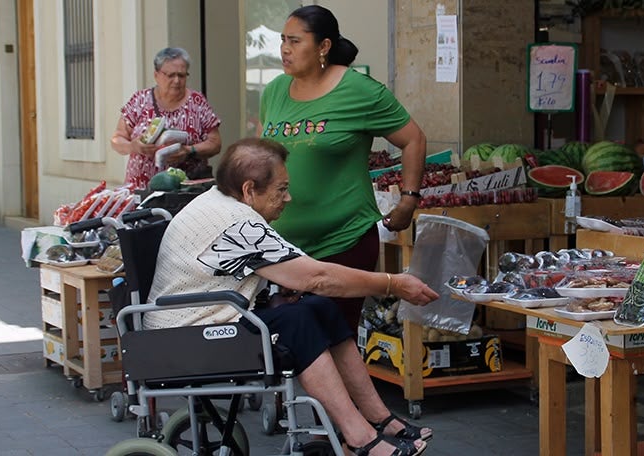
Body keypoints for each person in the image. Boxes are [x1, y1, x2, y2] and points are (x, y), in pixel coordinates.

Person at [143, 138, 437, 456]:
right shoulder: (237, 222)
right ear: (249, 190)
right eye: (281, 189)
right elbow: (318, 277)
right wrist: (393, 284)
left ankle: (378, 418)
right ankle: (359, 437)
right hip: (186, 339)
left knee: (320, 307)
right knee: (297, 321)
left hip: (196, 325)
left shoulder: (219, 201)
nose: (288, 197)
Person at [260, 5, 428, 329]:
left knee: (334, 341)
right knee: (286, 342)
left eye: (295, 41)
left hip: (342, 243)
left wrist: (408, 200)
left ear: (323, 46)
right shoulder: (274, 91)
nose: (284, 49)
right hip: (282, 248)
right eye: (282, 40)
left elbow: (413, 139)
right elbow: (261, 158)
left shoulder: (361, 91)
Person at [111, 47, 222, 189]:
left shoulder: (197, 102)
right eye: (170, 75)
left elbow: (215, 143)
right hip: (141, 189)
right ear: (156, 75)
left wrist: (189, 150)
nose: (176, 81)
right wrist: (133, 146)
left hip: (185, 191)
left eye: (181, 75)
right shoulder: (140, 100)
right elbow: (117, 139)